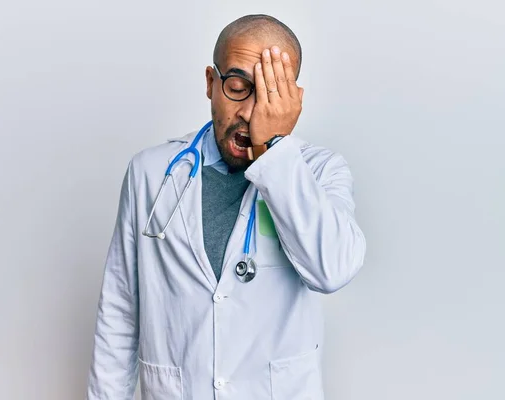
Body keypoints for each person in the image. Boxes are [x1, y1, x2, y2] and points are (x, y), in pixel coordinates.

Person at [86, 14, 366, 400]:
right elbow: (119, 311)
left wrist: (275, 150)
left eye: (270, 95)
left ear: (291, 101)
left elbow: (332, 270)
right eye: (237, 87)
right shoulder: (150, 173)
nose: (251, 113)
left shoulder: (317, 172)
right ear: (210, 83)